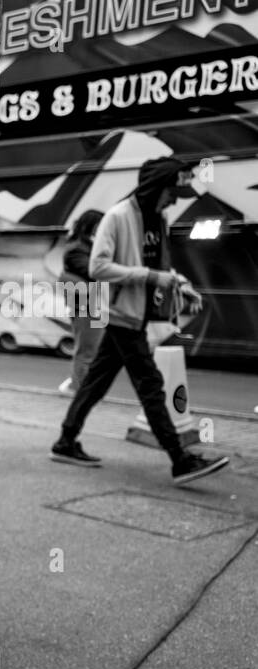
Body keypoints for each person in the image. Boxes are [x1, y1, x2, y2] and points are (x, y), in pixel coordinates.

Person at [51, 156, 228, 485]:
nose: (175, 200)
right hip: (123, 316)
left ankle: (65, 440)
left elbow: (160, 266)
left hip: (138, 315)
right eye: (171, 193)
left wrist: (182, 285)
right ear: (155, 189)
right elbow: (97, 268)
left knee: (94, 384)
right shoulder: (117, 217)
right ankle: (179, 459)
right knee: (151, 386)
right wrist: (149, 277)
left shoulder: (157, 220)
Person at [57, 209, 105, 396]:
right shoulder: (77, 248)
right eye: (100, 225)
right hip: (85, 304)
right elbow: (94, 271)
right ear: (90, 225)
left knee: (91, 349)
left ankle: (80, 386)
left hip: (92, 302)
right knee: (87, 350)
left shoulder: (86, 246)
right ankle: (78, 389)